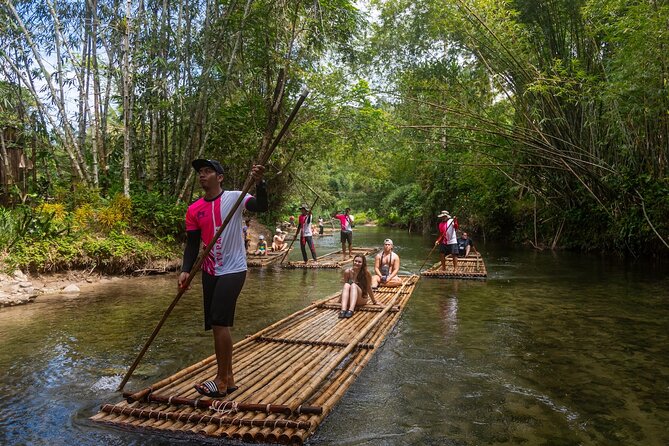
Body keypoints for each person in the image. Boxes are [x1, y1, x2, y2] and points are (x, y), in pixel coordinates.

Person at [179, 158, 267, 398]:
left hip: (234, 269)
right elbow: (193, 244)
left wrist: (260, 183)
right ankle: (229, 379)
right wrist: (186, 269)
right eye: (200, 172)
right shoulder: (194, 209)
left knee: (220, 321)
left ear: (220, 177)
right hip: (209, 270)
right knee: (216, 324)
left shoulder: (235, 198)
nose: (202, 175)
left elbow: (261, 206)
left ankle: (220, 380)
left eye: (208, 171)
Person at [339, 254, 377, 318]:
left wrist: (374, 301)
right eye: (355, 261)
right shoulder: (347, 272)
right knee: (346, 284)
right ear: (353, 261)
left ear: (363, 264)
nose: (357, 263)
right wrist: (339, 300)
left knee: (353, 285)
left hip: (361, 299)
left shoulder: (366, 273)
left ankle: (351, 310)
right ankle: (343, 310)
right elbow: (345, 289)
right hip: (350, 299)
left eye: (359, 262)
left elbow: (368, 288)